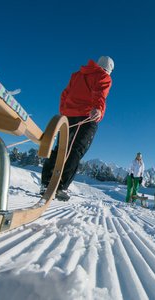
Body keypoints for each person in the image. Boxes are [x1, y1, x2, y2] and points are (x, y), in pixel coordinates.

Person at [41, 56, 114, 201]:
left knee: (61, 148)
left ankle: (46, 182)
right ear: (109, 69)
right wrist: (98, 109)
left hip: (68, 116)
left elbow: (65, 93)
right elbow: (99, 92)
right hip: (87, 117)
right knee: (76, 150)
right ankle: (61, 186)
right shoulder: (103, 76)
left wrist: (64, 110)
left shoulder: (78, 75)